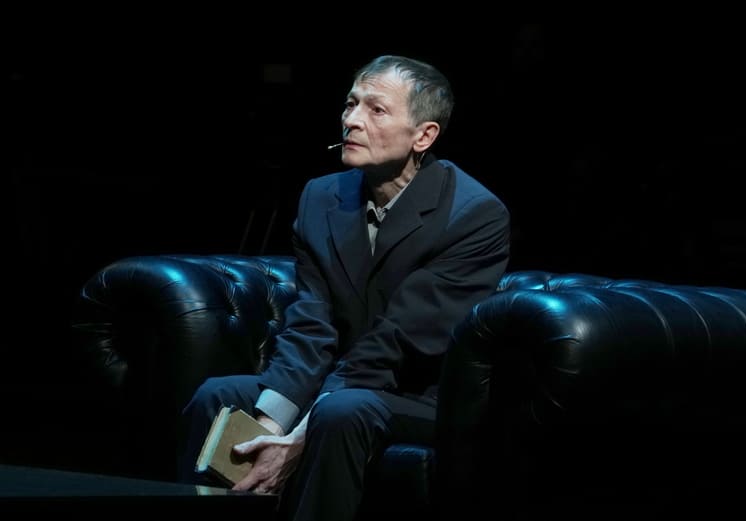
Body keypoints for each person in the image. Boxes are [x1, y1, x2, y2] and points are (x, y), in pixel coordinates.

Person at [178, 54, 511, 520]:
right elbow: (311, 323)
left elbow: (398, 341)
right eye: (351, 104)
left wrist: (300, 434)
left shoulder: (474, 215)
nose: (352, 120)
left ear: (423, 136)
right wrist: (269, 423)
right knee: (218, 397)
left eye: (376, 110)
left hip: (419, 395)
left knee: (339, 413)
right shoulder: (321, 196)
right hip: (342, 380)